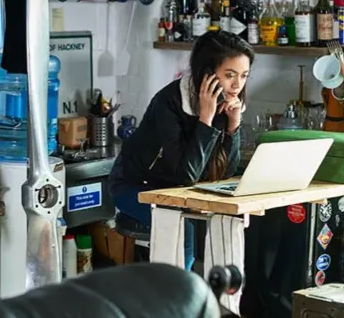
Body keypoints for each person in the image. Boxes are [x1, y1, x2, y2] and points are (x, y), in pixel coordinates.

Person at [108, 30, 255, 270]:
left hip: (176, 191)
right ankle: (175, 298)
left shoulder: (227, 101)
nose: (237, 85)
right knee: (181, 231)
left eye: (244, 76)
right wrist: (205, 118)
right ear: (207, 73)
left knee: (232, 223)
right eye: (230, 75)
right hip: (135, 188)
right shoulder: (169, 102)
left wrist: (233, 125)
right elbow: (184, 175)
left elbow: (226, 173)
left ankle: (212, 298)